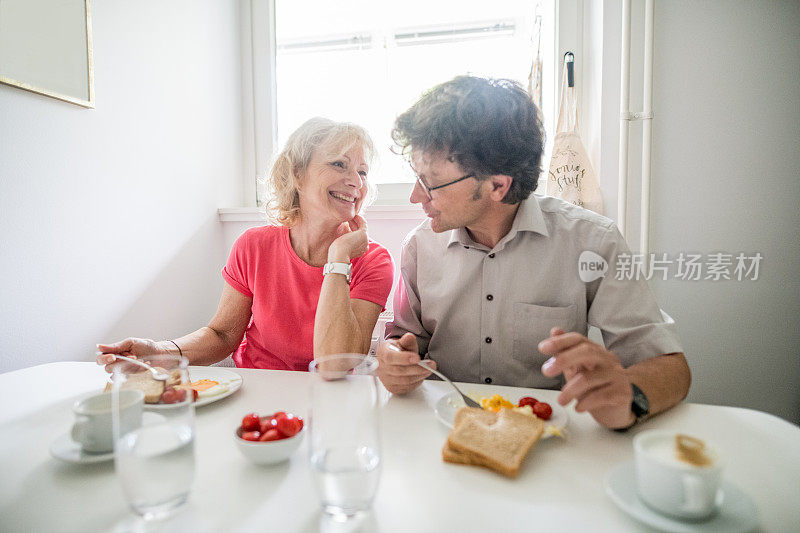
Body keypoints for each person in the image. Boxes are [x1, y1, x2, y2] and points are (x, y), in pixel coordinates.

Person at [377, 76, 690, 430]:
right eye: (415, 178)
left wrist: (629, 397)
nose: (415, 198)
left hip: (547, 438)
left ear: (498, 185)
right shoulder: (420, 247)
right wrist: (393, 360)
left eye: (430, 183)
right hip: (440, 431)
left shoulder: (592, 241)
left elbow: (670, 367)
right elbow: (405, 342)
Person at [97, 118, 394, 372]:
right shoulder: (253, 247)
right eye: (339, 164)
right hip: (257, 391)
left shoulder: (374, 261)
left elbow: (335, 365)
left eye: (363, 171)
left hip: (330, 397)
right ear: (297, 174)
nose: (356, 181)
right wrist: (159, 351)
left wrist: (339, 258)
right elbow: (223, 335)